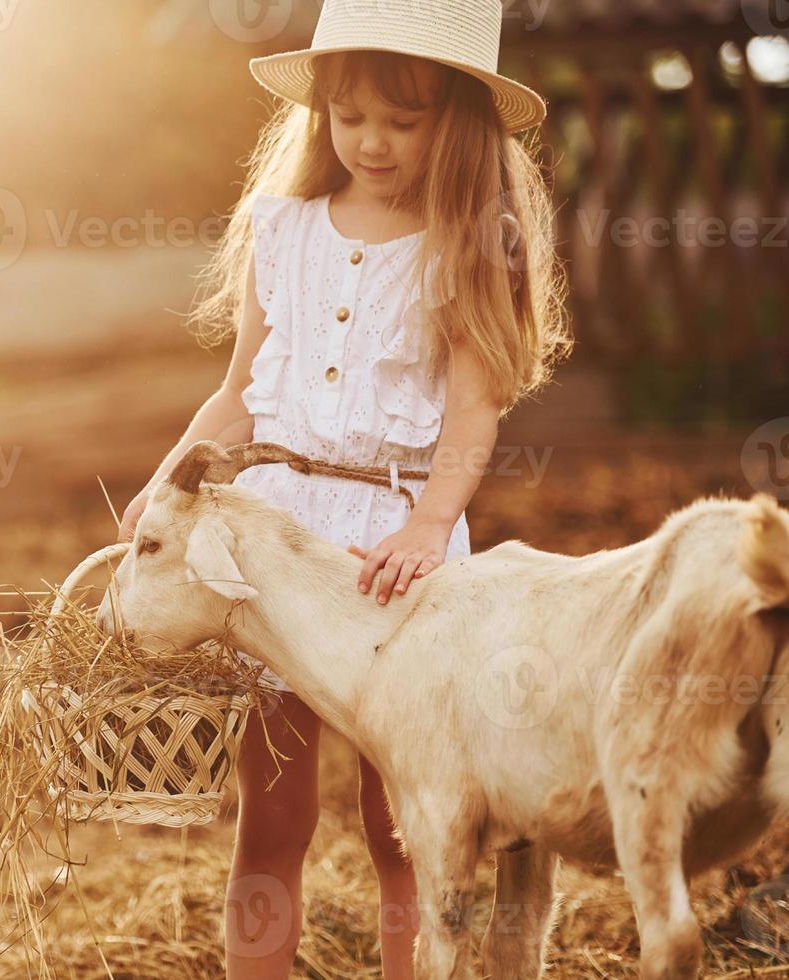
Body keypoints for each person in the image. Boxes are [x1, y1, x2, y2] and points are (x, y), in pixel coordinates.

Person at [117, 2, 572, 975]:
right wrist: (166, 486)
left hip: (389, 547)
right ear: (320, 110)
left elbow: (472, 413)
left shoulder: (466, 238)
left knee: (405, 815)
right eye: (350, 115)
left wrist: (429, 521)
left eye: (403, 123)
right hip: (276, 541)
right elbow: (240, 391)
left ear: (454, 120)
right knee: (270, 807)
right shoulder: (281, 229)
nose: (372, 141)